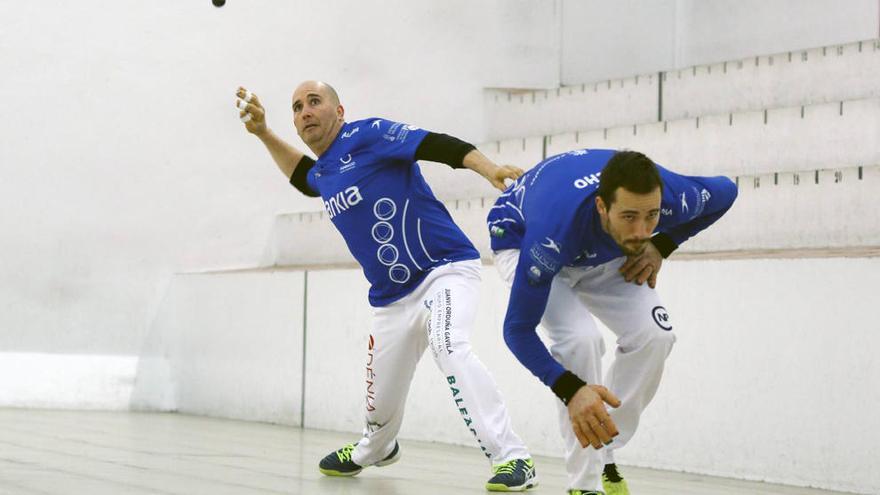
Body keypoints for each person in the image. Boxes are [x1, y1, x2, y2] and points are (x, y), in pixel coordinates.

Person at [235, 81, 537, 492]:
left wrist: (492, 170)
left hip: (444, 270)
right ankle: (376, 449)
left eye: (314, 102)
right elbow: (307, 179)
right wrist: (264, 133)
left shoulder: (369, 135)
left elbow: (440, 146)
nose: (304, 111)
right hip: (391, 301)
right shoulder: (325, 170)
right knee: (379, 410)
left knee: (448, 344)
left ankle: (512, 456)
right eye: (296, 107)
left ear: (340, 111)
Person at [488, 149, 737, 495]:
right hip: (526, 240)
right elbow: (516, 329)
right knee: (581, 340)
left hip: (602, 248)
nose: (641, 230)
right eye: (631, 216)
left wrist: (662, 243)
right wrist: (571, 389)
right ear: (603, 207)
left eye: (651, 216)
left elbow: (727, 191)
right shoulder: (551, 232)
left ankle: (604, 445)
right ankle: (585, 485)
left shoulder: (673, 198)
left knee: (656, 336)